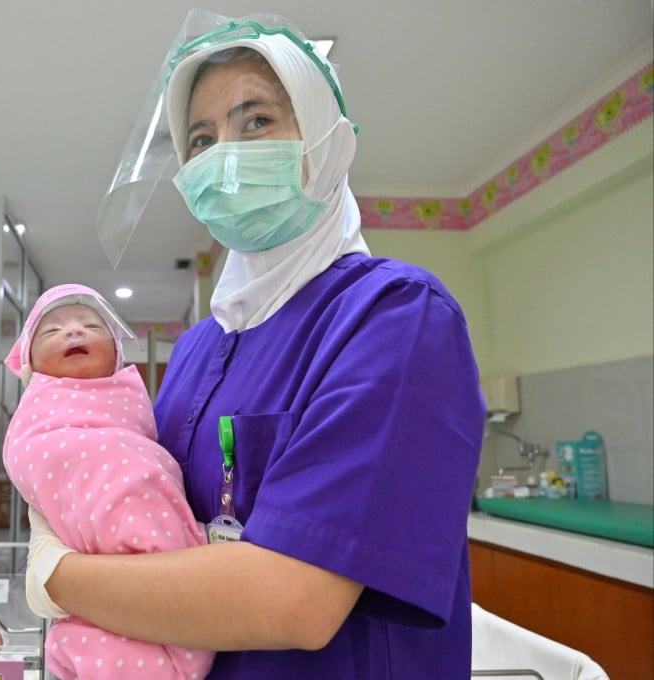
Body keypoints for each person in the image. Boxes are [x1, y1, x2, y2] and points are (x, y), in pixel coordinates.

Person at [24, 9, 486, 679]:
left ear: (326, 141)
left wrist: (55, 576)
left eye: (258, 121)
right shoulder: (195, 350)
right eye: (202, 138)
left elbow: (295, 600)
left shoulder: (394, 316)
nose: (225, 157)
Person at [3, 283, 214, 679]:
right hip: (104, 552)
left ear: (116, 354)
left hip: (169, 558)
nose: (73, 331)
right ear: (31, 364)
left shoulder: (129, 401)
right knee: (112, 638)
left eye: (90, 325)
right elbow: (28, 455)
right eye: (52, 331)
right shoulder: (39, 412)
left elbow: (144, 455)